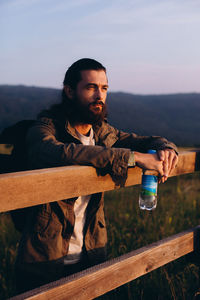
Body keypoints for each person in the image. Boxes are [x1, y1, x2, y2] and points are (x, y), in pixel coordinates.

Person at [15, 58, 178, 293]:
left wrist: (166, 147)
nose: (99, 96)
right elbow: (53, 152)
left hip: (92, 253)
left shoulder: (102, 132)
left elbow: (144, 140)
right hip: (44, 261)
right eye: (91, 87)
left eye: (104, 88)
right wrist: (134, 158)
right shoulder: (46, 127)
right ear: (70, 91)